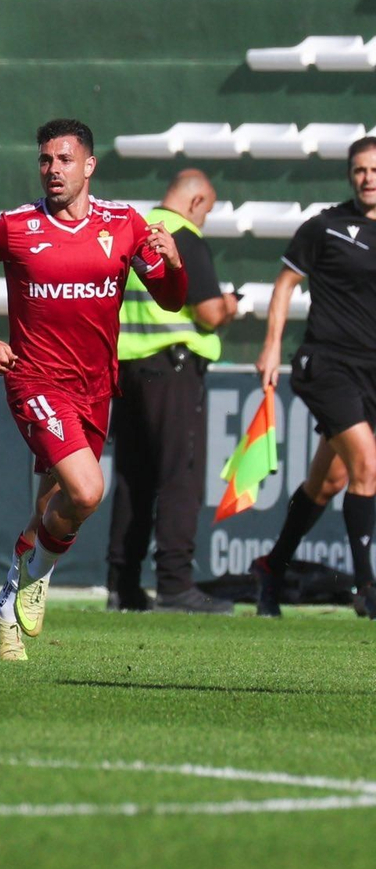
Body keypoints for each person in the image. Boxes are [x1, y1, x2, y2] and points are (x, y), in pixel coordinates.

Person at [0, 118, 188, 662]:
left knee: (56, 506)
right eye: (46, 160)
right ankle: (39, 579)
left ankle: (7, 603)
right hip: (35, 382)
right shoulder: (14, 226)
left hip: (96, 387)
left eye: (64, 160)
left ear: (89, 166)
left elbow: (171, 300)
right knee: (88, 491)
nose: (53, 170)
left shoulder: (124, 224)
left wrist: (173, 264)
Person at [251, 136, 376, 619]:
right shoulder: (325, 226)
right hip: (326, 364)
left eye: (374, 170)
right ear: (350, 174)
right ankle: (367, 588)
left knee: (330, 482)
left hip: (370, 373)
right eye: (360, 170)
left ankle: (272, 568)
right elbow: (285, 286)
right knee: (366, 463)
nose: (368, 178)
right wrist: (272, 344)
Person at [105, 169, 237, 613]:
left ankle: (121, 586)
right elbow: (209, 313)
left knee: (131, 478)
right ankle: (176, 584)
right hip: (173, 368)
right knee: (179, 476)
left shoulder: (137, 231)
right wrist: (232, 305)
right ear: (197, 202)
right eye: (208, 212)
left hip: (127, 368)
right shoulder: (183, 236)